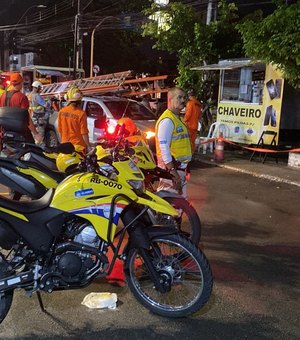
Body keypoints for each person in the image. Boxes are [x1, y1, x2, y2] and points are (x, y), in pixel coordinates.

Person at [155, 87, 192, 198]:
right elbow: (164, 149)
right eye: (179, 97)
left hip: (179, 169)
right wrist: (172, 171)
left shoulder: (178, 119)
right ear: (170, 99)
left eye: (184, 97)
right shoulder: (167, 120)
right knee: (168, 203)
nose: (183, 100)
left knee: (180, 204)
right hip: (171, 170)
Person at [0, 73, 43, 144]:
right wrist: (36, 134)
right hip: (20, 135)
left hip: (5, 134)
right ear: (21, 83)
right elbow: (27, 119)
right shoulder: (22, 97)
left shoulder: (3, 96)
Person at [57, 86, 90, 152]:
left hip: (65, 147)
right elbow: (84, 133)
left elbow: (60, 130)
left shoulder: (61, 111)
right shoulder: (81, 114)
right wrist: (88, 146)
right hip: (78, 148)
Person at [184, 89, 202, 154]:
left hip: (189, 125)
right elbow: (199, 115)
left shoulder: (190, 103)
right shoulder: (198, 104)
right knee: (192, 140)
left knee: (188, 140)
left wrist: (183, 121)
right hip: (195, 125)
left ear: (189, 96)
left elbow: (188, 114)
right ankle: (192, 152)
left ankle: (188, 153)